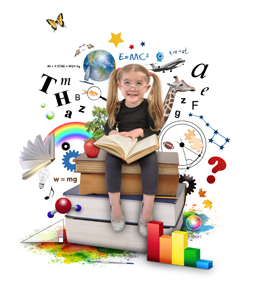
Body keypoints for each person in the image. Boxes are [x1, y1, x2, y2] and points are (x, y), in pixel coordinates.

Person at [104, 64, 164, 237]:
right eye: (127, 83)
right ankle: (115, 206)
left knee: (151, 161)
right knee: (111, 160)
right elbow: (107, 127)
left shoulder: (149, 106)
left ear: (147, 87)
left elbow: (155, 130)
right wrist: (114, 133)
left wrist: (139, 132)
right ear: (119, 86)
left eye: (139, 84)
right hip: (123, 148)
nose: (132, 88)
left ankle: (147, 208)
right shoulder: (117, 107)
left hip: (142, 148)